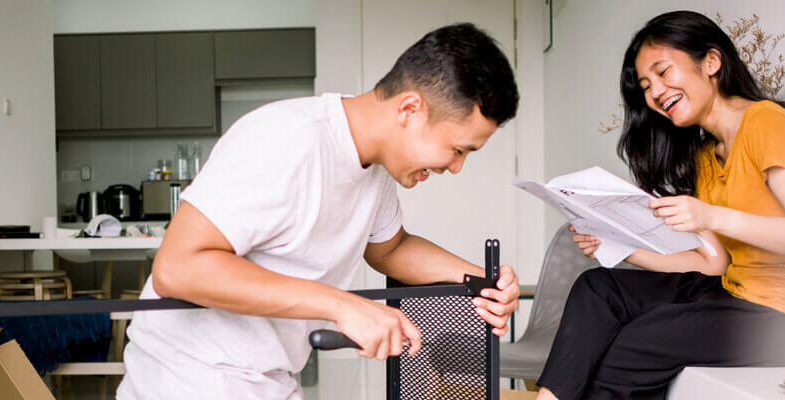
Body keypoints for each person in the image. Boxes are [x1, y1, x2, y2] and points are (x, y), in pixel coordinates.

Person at [117, 23, 522, 399]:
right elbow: (178, 269)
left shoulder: (375, 172)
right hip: (186, 377)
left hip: (266, 378)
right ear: (409, 109)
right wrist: (343, 305)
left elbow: (390, 250)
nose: (455, 167)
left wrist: (480, 279)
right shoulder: (285, 141)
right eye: (457, 149)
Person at [535, 11, 785, 400]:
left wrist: (710, 215)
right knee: (598, 287)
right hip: (735, 292)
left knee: (634, 346)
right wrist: (621, 250)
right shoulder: (706, 154)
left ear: (711, 62)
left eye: (664, 72)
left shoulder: (767, 122)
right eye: (647, 85)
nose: (654, 93)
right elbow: (713, 263)